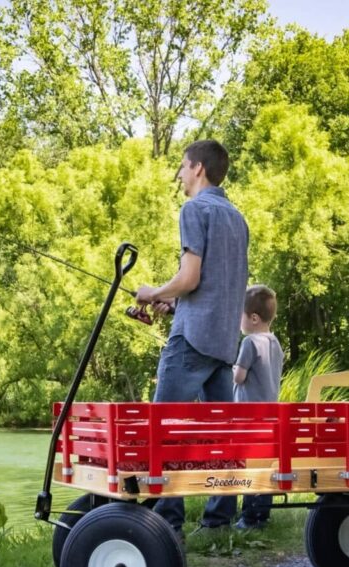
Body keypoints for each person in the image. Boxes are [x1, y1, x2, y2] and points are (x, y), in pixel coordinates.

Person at [134, 139, 249, 536]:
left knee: (164, 429)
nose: (180, 175)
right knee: (224, 435)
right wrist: (176, 305)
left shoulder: (194, 209)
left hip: (193, 341)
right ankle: (218, 522)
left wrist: (153, 293)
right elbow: (218, 286)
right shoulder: (237, 217)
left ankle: (167, 524)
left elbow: (190, 278)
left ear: (198, 168)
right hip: (223, 343)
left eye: (182, 167)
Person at [229, 284, 284, 530]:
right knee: (265, 465)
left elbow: (239, 377)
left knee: (249, 466)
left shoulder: (250, 342)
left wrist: (228, 367)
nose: (238, 321)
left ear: (253, 318)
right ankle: (263, 516)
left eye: (239, 315)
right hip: (270, 415)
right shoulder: (275, 343)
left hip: (248, 416)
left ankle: (248, 518)